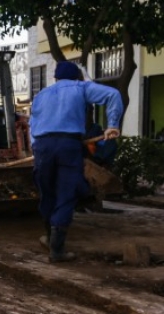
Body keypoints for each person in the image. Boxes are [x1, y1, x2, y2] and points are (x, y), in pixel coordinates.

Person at [30, 61, 123, 263]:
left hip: (42, 147)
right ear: (77, 77)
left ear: (55, 78)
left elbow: (32, 124)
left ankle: (49, 237)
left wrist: (35, 148)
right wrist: (112, 125)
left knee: (47, 192)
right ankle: (56, 249)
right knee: (66, 192)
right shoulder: (81, 88)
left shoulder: (41, 95)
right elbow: (113, 95)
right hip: (68, 145)